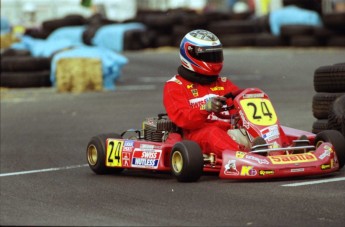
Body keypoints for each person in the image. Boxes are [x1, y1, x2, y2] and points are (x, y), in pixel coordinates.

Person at [163, 29, 244, 158]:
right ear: (190, 54)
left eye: (216, 55)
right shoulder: (174, 86)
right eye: (209, 56)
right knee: (212, 133)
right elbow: (183, 119)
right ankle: (243, 157)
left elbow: (240, 108)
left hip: (229, 130)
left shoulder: (224, 83)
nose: (214, 60)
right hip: (196, 135)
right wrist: (205, 108)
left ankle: (277, 149)